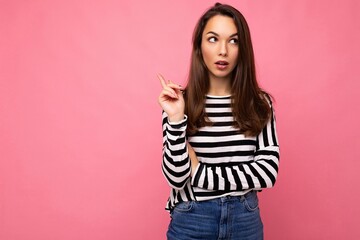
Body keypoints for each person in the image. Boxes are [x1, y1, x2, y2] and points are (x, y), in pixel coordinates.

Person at [157, 3, 280, 240]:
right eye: (213, 39)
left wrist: (199, 172)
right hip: (192, 219)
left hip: (245, 219)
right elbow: (176, 177)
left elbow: (267, 172)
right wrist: (175, 119)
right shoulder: (179, 101)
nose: (223, 50)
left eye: (233, 41)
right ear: (199, 46)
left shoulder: (260, 102)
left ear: (243, 49)